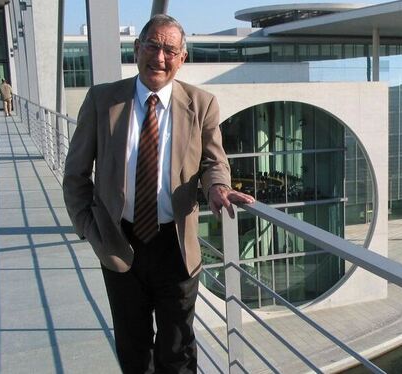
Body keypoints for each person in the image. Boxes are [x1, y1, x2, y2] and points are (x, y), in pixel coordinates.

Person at [62, 14, 254, 373]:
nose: (160, 57)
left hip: (176, 244)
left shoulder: (202, 104)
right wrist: (89, 228)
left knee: (178, 347)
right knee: (133, 348)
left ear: (182, 58)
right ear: (137, 49)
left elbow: (214, 161)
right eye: (152, 46)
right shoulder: (103, 100)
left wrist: (218, 188)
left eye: (170, 50)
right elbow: (75, 174)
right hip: (118, 240)